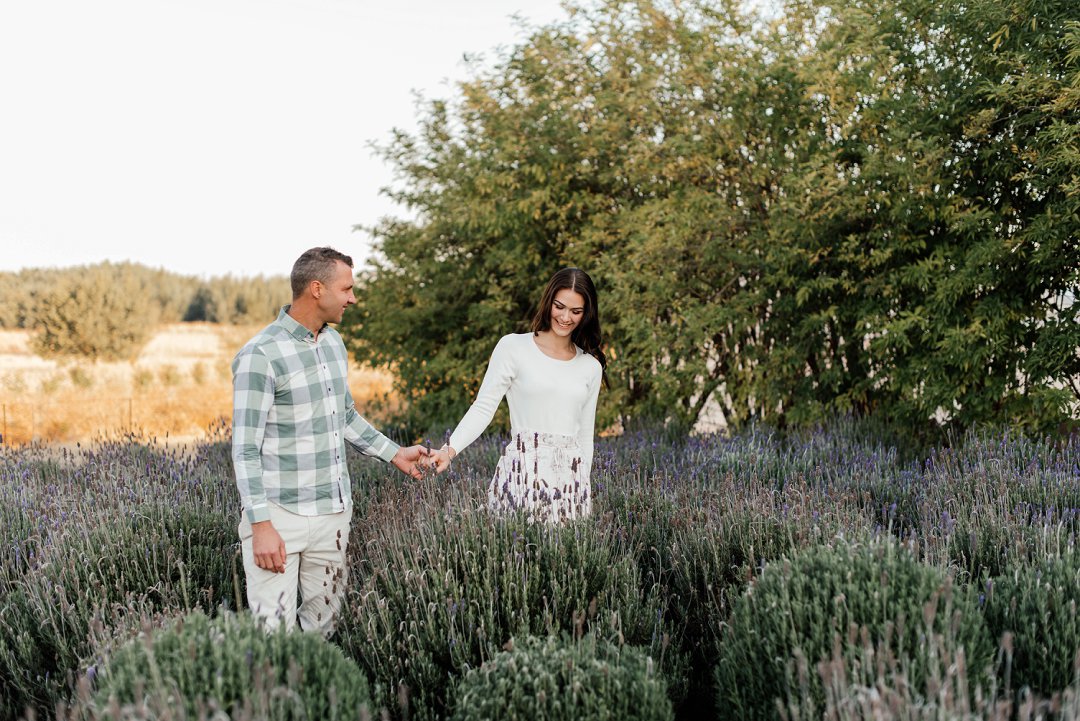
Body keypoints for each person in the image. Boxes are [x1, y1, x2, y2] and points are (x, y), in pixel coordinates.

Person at [231, 246, 430, 635]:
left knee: (323, 631)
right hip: (280, 518)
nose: (353, 298)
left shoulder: (334, 344)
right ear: (317, 289)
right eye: (347, 289)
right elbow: (244, 450)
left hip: (333, 517)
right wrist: (261, 526)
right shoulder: (260, 355)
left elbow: (346, 417)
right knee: (273, 637)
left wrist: (395, 455)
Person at [429, 268, 606, 523]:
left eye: (576, 311)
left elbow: (585, 436)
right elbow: (483, 407)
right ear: (548, 302)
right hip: (522, 475)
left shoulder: (590, 367)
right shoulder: (513, 347)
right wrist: (449, 450)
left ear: (586, 314)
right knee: (516, 556)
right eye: (559, 306)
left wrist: (582, 490)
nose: (566, 317)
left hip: (570, 483)